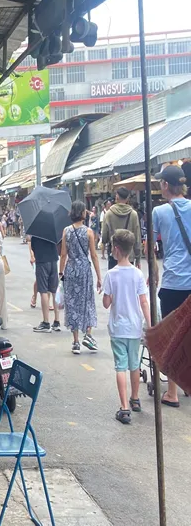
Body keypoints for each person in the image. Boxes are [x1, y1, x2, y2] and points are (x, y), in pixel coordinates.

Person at [151, 164, 191, 407]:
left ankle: (172, 393)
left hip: (174, 281)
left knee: (172, 337)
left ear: (166, 185)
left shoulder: (159, 212)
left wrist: (153, 273)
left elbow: (151, 248)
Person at [102, 229, 151, 424]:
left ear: (115, 249)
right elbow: (144, 302)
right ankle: (135, 399)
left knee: (120, 367)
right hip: (134, 327)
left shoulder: (111, 275)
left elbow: (106, 303)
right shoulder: (138, 274)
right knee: (134, 364)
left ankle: (124, 408)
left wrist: (111, 296)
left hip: (117, 328)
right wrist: (150, 324)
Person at [60, 201, 102, 354]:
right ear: (82, 213)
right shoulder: (89, 232)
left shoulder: (66, 231)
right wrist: (99, 276)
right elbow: (94, 255)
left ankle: (76, 342)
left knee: (72, 304)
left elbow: (63, 254)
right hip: (85, 270)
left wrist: (61, 273)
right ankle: (88, 334)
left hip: (71, 270)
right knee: (87, 302)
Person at [101, 188, 142, 270]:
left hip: (114, 254)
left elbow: (104, 237)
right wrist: (138, 258)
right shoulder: (133, 214)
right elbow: (137, 238)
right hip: (128, 255)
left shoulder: (109, 214)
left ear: (116, 197)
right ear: (127, 199)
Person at [31, 234, 61, 332]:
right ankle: (57, 321)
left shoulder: (36, 235)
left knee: (43, 290)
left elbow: (33, 248)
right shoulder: (52, 233)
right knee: (54, 290)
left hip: (42, 261)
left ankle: (46, 322)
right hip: (53, 260)